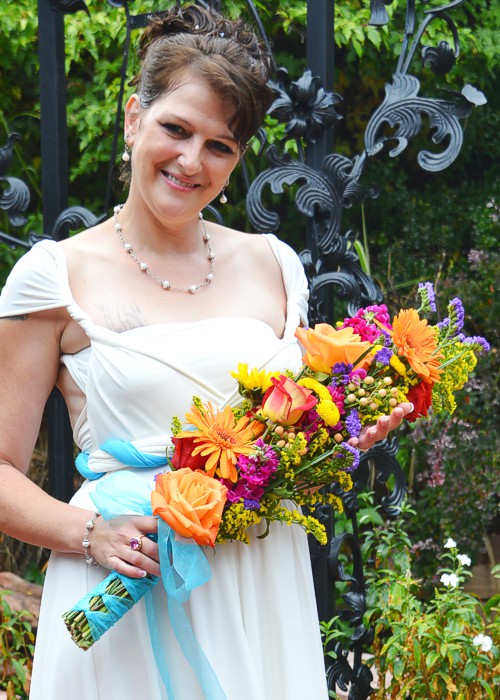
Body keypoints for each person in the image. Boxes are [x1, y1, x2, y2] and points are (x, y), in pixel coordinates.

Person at [0, 5, 412, 699]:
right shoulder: (54, 276)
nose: (192, 161)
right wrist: (89, 531)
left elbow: (289, 438)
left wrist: (345, 432)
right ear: (134, 117)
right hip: (125, 580)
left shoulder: (274, 264)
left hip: (260, 581)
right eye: (175, 129)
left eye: (220, 146)